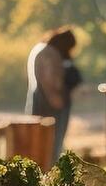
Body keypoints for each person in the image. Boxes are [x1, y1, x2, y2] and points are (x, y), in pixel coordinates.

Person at [27, 27, 80, 165]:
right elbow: (51, 82)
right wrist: (59, 97)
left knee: (42, 142)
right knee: (52, 143)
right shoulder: (49, 54)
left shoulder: (41, 49)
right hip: (51, 104)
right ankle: (50, 171)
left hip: (42, 101)